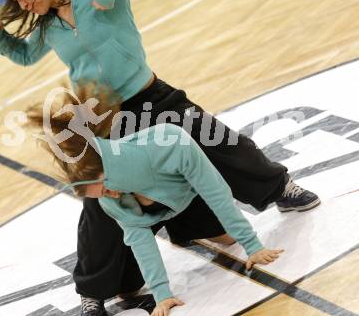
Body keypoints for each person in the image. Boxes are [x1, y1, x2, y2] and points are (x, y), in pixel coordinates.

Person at [0, 0, 319, 314]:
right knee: (102, 203)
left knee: (214, 139)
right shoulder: (47, 25)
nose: (24, 4)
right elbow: (24, 56)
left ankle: (280, 188)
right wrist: (0, 39)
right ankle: (95, 291)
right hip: (103, 116)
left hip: (149, 93)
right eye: (17, 1)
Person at [25, 83, 284, 316]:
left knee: (228, 238)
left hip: (183, 194)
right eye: (103, 193)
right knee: (128, 288)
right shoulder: (108, 198)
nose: (110, 194)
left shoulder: (172, 143)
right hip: (150, 207)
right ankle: (91, 291)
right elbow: (140, 239)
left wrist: (252, 245)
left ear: (109, 167)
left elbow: (216, 193)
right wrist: (163, 294)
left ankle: (188, 230)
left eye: (105, 187)